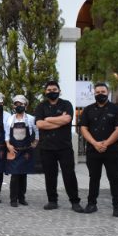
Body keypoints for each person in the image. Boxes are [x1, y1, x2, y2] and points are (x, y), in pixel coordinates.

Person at [34, 81, 84, 213]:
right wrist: (58, 121)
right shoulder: (40, 106)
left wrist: (48, 119)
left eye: (54, 89)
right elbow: (39, 124)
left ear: (59, 91)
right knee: (50, 176)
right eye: (49, 89)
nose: (52, 91)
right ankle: (52, 201)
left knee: (69, 175)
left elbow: (67, 120)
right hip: (46, 147)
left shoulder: (66, 104)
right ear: (45, 92)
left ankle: (74, 201)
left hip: (64, 147)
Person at [79, 82, 118, 217]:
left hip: (112, 150)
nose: (100, 94)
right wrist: (95, 143)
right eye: (97, 92)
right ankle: (91, 204)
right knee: (94, 178)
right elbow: (83, 128)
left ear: (108, 93)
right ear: (94, 93)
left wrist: (105, 143)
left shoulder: (117, 110)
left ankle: (117, 206)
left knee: (114, 178)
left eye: (103, 92)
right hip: (93, 150)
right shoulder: (87, 110)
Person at [4, 95, 38, 207]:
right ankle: (13, 199)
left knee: (23, 175)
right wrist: (8, 145)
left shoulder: (31, 119)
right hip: (14, 151)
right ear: (14, 106)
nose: (19, 106)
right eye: (17, 104)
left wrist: (35, 142)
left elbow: (36, 131)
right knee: (15, 176)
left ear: (25, 106)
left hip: (26, 151)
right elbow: (7, 134)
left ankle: (22, 198)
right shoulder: (10, 119)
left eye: (21, 104)